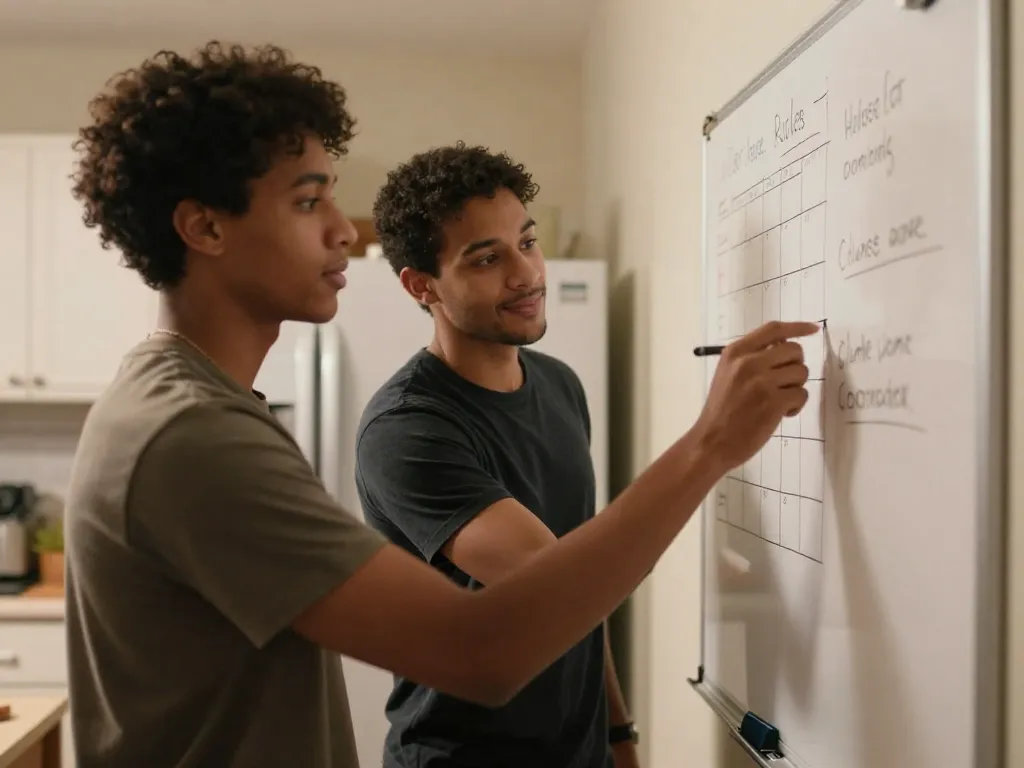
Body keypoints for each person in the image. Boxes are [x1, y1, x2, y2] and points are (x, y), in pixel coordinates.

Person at [63, 40, 817, 768]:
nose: (341, 229)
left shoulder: (205, 408)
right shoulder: (192, 434)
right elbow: (482, 650)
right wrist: (710, 444)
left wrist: (617, 734)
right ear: (205, 227)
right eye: (308, 200)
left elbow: (566, 597)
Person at [354, 143, 635, 768]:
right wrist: (710, 444)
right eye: (487, 258)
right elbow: (564, 583)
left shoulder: (560, 385)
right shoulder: (407, 428)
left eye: (527, 242)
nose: (526, 274)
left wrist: (619, 737)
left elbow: (586, 594)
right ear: (421, 285)